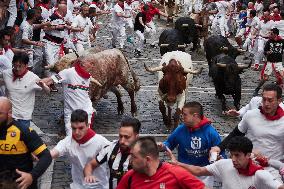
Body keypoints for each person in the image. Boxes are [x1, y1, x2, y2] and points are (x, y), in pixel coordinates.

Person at [211, 83, 284, 182]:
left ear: (279, 101)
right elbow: (235, 134)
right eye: (264, 99)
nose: (266, 103)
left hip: (272, 171)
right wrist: (219, 147)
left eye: (270, 100)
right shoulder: (251, 115)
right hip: (248, 168)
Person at [167, 136, 284, 189]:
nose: (233, 159)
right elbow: (199, 171)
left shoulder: (260, 175)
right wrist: (177, 164)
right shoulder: (223, 164)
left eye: (237, 155)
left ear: (248, 155)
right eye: (231, 154)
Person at [158, 101, 223, 186]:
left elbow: (222, 156)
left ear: (195, 116)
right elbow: (169, 143)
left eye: (185, 114)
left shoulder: (211, 133)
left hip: (204, 176)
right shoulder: (180, 130)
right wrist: (162, 146)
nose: (182, 117)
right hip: (183, 171)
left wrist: (218, 159)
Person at [116, 136, 208, 189]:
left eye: (134, 157)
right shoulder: (130, 176)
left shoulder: (176, 173)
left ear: (148, 160)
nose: (130, 160)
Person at [0, 97, 52, 189]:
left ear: (10, 113)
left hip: (22, 184)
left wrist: (32, 176)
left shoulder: (24, 132)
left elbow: (46, 156)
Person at [50, 109, 110, 189]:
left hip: (99, 186)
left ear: (88, 125)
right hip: (78, 186)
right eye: (74, 128)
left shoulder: (101, 142)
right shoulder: (68, 141)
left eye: (81, 128)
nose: (77, 132)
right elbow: (53, 153)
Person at [40, 57, 96, 136]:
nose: (93, 66)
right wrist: (38, 82)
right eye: (91, 63)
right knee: (71, 139)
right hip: (71, 114)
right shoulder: (68, 73)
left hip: (86, 112)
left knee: (84, 140)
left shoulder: (88, 77)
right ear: (82, 63)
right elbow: (51, 80)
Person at [84, 116, 141, 189]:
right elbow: (90, 165)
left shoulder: (144, 153)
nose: (122, 141)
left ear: (136, 137)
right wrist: (88, 175)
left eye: (127, 137)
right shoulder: (110, 148)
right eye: (120, 136)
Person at [0, 52, 50, 128]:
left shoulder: (33, 78)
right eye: (15, 66)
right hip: (9, 116)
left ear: (26, 65)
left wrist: (44, 86)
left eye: (20, 66)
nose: (17, 69)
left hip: (24, 118)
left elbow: (48, 91)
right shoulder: (6, 74)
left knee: (22, 139)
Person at [253, 28, 284, 96]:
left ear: (275, 34)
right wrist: (267, 52)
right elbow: (264, 51)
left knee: (282, 76)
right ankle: (257, 88)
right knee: (265, 78)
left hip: (278, 62)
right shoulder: (269, 42)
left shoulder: (282, 41)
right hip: (270, 62)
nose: (270, 35)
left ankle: (279, 89)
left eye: (271, 34)